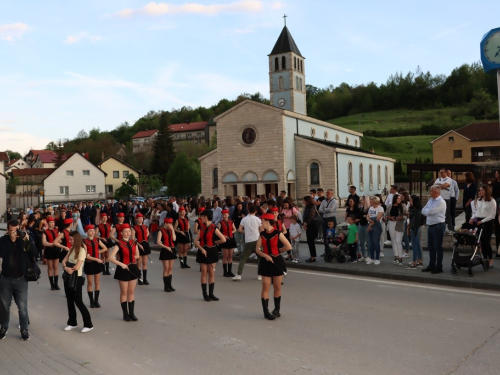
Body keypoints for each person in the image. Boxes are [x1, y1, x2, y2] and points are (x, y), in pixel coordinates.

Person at [0, 219, 37, 341]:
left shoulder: (24, 239)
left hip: (21, 279)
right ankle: (4, 327)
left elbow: (34, 253)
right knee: (4, 306)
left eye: (16, 230)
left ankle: (24, 330)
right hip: (6, 279)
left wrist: (27, 239)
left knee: (22, 307)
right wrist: (11, 240)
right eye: (11, 231)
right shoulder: (3, 241)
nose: (14, 233)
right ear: (7, 230)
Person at [255, 213, 292, 320]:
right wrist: (265, 255)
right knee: (265, 287)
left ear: (267, 222)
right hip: (266, 262)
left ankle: (276, 310)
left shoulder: (277, 233)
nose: (261, 223)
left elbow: (288, 246)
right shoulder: (262, 235)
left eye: (262, 221)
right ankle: (266, 312)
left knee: (277, 287)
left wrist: (278, 252)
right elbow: (257, 249)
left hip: (277, 261)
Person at [61, 231, 93, 333]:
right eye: (69, 239)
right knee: (69, 300)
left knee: (78, 301)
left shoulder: (82, 250)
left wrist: (68, 268)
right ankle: (72, 322)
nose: (69, 241)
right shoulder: (71, 249)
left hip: (76, 278)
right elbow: (63, 261)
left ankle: (88, 324)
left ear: (77, 239)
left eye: (71, 239)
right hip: (68, 276)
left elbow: (78, 266)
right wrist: (66, 268)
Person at [109, 224, 140, 321]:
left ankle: (132, 313)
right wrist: (121, 264)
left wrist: (131, 260)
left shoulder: (133, 243)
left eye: (129, 231)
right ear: (121, 233)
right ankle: (125, 314)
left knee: (131, 291)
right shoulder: (118, 244)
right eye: (125, 232)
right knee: (124, 292)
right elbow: (110, 258)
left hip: (133, 268)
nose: (128, 233)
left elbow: (137, 255)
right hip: (123, 269)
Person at [194, 210, 226, 301]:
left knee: (211, 273)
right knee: (204, 272)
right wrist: (202, 249)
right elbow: (196, 241)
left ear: (206, 217)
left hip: (212, 251)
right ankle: (205, 294)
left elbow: (223, 239)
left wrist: (214, 243)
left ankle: (211, 293)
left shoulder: (214, 228)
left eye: (202, 216)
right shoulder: (202, 228)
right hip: (203, 251)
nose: (201, 218)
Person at [470, 184, 497, 268]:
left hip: (487, 222)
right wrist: (472, 218)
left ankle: (490, 259)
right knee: (481, 241)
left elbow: (492, 215)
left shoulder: (492, 201)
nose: (480, 192)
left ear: (486, 191)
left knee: (486, 242)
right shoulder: (478, 200)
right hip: (479, 221)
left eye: (481, 190)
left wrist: (482, 221)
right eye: (479, 190)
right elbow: (477, 212)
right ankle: (484, 258)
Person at [421, 185, 447, 274]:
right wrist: (428, 211)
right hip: (430, 226)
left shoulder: (441, 202)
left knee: (438, 247)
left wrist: (428, 211)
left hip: (438, 226)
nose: (430, 192)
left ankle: (439, 266)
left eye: (431, 191)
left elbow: (431, 212)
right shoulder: (430, 200)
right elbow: (423, 210)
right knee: (431, 247)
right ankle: (431, 264)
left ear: (436, 192)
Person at [233, 205, 262, 281]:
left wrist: (245, 231)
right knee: (260, 258)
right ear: (255, 211)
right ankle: (259, 275)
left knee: (243, 258)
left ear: (248, 210)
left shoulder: (244, 219)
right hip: (257, 240)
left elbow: (239, 230)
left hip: (248, 240)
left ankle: (239, 274)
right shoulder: (258, 219)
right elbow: (261, 230)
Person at [82, 225, 107, 308]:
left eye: (93, 230)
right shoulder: (84, 241)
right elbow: (86, 255)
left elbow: (105, 248)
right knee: (90, 282)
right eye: (90, 230)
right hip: (89, 263)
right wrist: (96, 258)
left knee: (97, 282)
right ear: (86, 232)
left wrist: (98, 252)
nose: (92, 232)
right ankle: (91, 301)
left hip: (97, 263)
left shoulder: (97, 240)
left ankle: (96, 300)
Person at [386, 194, 408, 266]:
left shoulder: (403, 206)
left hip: (399, 224)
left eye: (400, 198)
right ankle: (396, 257)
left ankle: (400, 258)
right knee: (393, 241)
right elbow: (387, 215)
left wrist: (401, 218)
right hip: (391, 223)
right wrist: (390, 218)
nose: (399, 199)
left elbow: (406, 215)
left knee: (398, 241)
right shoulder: (390, 206)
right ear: (395, 199)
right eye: (398, 198)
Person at [157, 218, 177, 292]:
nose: (170, 225)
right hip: (165, 250)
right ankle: (166, 286)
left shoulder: (171, 230)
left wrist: (172, 230)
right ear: (165, 223)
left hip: (172, 249)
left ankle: (170, 285)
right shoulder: (161, 231)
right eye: (168, 223)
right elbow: (158, 242)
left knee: (170, 268)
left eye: (171, 223)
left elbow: (174, 239)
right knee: (166, 268)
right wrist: (166, 247)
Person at [42, 216, 60, 290]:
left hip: (56, 250)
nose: (52, 224)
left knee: (55, 267)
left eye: (53, 222)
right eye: (51, 222)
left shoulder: (56, 230)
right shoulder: (45, 232)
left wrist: (56, 243)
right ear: (48, 223)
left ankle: (56, 284)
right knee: (50, 267)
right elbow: (44, 243)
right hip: (49, 250)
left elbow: (60, 240)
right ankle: (51, 284)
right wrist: (53, 243)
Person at [132, 213, 151, 285]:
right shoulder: (134, 227)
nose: (140, 219)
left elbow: (148, 233)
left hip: (145, 244)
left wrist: (144, 239)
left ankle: (145, 279)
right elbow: (133, 239)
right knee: (139, 263)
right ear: (136, 219)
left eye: (141, 218)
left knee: (145, 263)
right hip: (138, 245)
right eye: (139, 218)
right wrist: (139, 244)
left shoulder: (145, 227)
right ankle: (139, 278)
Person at [319, 189, 338, 257]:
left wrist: (325, 209)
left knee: (332, 235)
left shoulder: (334, 201)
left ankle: (333, 251)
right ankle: (326, 251)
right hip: (325, 219)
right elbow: (320, 209)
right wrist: (326, 210)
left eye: (328, 193)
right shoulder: (324, 201)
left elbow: (331, 210)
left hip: (331, 218)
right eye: (326, 193)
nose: (327, 194)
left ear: (332, 194)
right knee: (325, 236)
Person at [434, 168, 453, 233]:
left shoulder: (449, 179)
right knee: (439, 213)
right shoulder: (437, 179)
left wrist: (439, 186)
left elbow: (445, 186)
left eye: (442, 172)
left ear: (446, 173)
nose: (441, 173)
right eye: (440, 172)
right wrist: (441, 186)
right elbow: (434, 187)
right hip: (438, 199)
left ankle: (450, 228)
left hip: (446, 198)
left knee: (447, 213)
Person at [406, 195, 423, 269]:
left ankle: (414, 262)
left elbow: (416, 222)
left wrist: (413, 230)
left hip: (415, 229)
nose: (409, 202)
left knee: (415, 245)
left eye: (411, 200)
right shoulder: (415, 209)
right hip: (415, 228)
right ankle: (419, 261)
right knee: (418, 244)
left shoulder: (416, 210)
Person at [218, 209, 237, 277]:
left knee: (230, 256)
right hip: (224, 240)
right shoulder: (220, 223)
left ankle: (230, 271)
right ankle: (225, 272)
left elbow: (235, 229)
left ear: (228, 215)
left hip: (231, 240)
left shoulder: (231, 222)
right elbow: (218, 231)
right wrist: (223, 236)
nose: (224, 216)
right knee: (225, 256)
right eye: (223, 215)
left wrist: (231, 233)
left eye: (225, 214)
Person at [366, 196, 384, 265]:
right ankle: (372, 258)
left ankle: (377, 258)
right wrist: (369, 220)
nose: (370, 202)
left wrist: (370, 225)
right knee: (370, 243)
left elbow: (377, 219)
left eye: (371, 201)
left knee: (376, 242)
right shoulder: (370, 208)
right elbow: (367, 216)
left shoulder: (380, 208)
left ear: (374, 201)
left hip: (376, 226)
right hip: (370, 225)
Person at [302, 195, 319, 263]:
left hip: (312, 226)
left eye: (304, 200)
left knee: (311, 242)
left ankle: (313, 257)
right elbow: (304, 216)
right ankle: (312, 256)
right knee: (309, 242)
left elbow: (311, 217)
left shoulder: (312, 207)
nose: (303, 201)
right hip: (308, 226)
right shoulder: (306, 207)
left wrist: (306, 223)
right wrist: (304, 223)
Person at [357, 196, 370, 261]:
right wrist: (363, 216)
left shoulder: (369, 208)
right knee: (361, 241)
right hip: (361, 224)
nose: (361, 201)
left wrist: (364, 216)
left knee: (368, 241)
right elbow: (360, 216)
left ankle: (369, 256)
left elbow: (367, 216)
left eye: (362, 200)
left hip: (367, 225)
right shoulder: (361, 208)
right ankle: (363, 255)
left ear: (366, 201)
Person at [491, 171, 500, 257]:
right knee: (497, 232)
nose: (495, 174)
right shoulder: (494, 183)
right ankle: (498, 251)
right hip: (495, 201)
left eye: (497, 173)